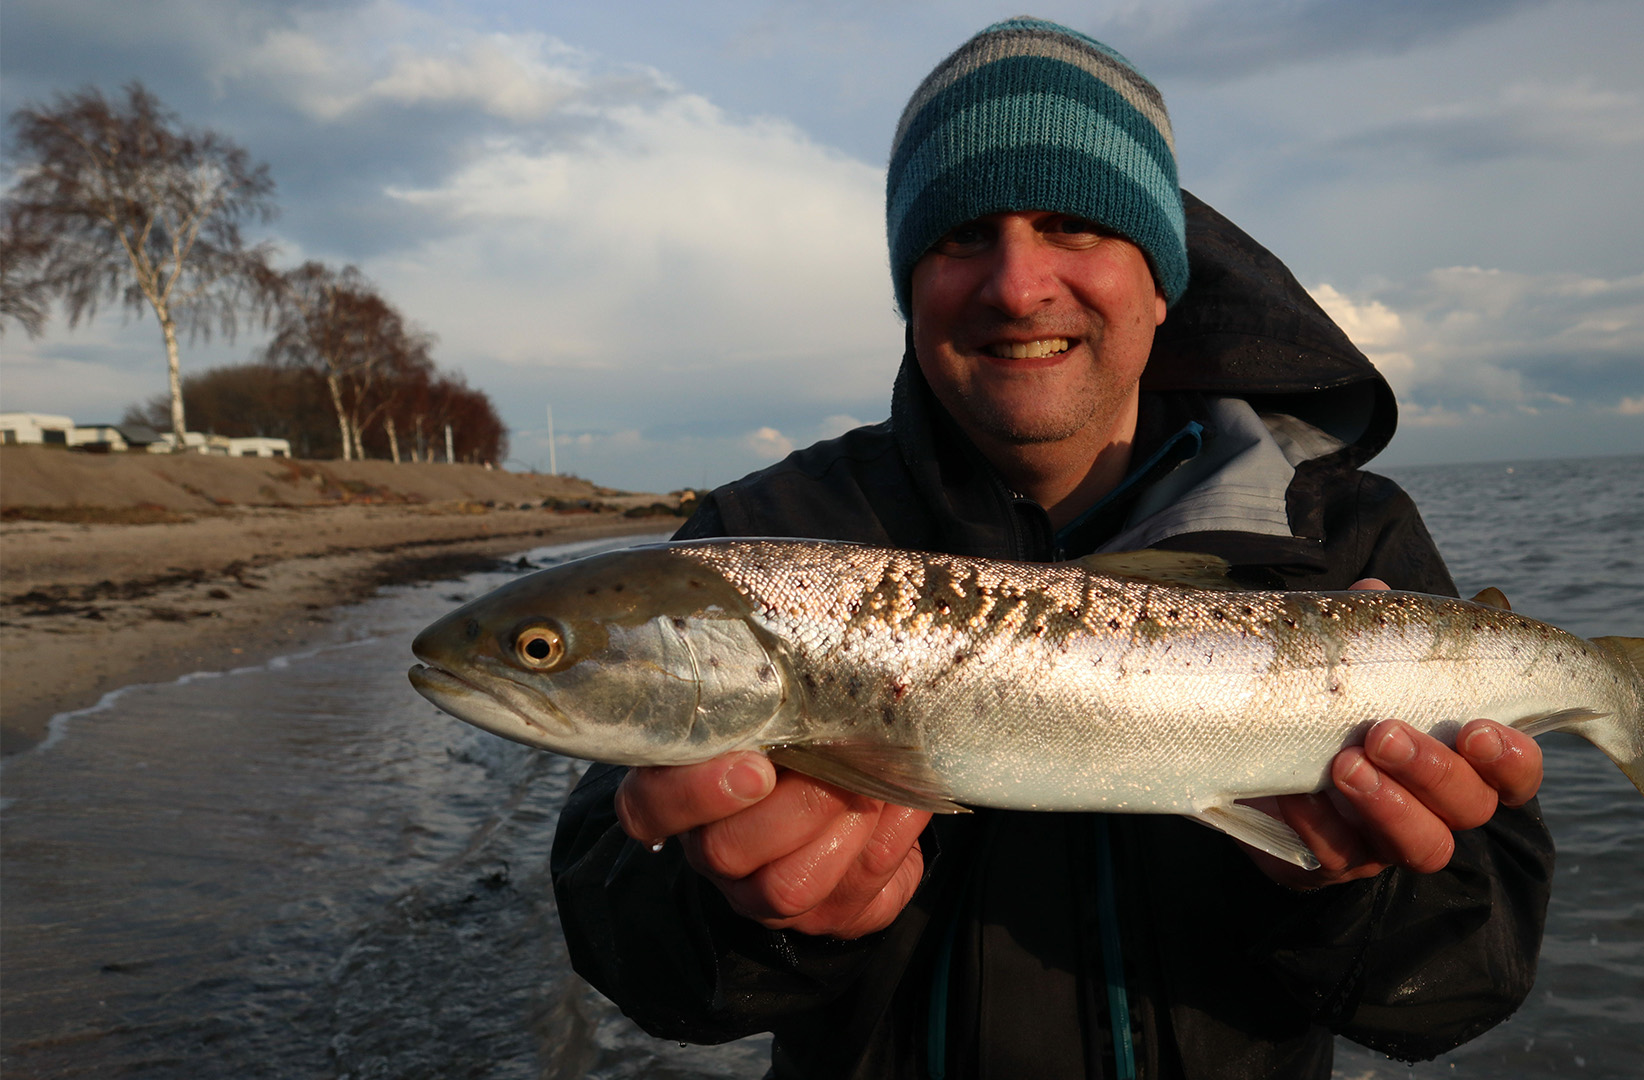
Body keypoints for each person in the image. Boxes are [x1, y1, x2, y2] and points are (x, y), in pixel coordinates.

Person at [552, 17, 1551, 1079]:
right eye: (961, 235)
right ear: (908, 285)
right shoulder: (752, 542)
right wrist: (743, 917)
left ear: (1161, 277)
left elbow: (1463, 986)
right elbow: (623, 931)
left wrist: (1366, 891)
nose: (1018, 285)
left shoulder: (1348, 539)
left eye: (1074, 225)